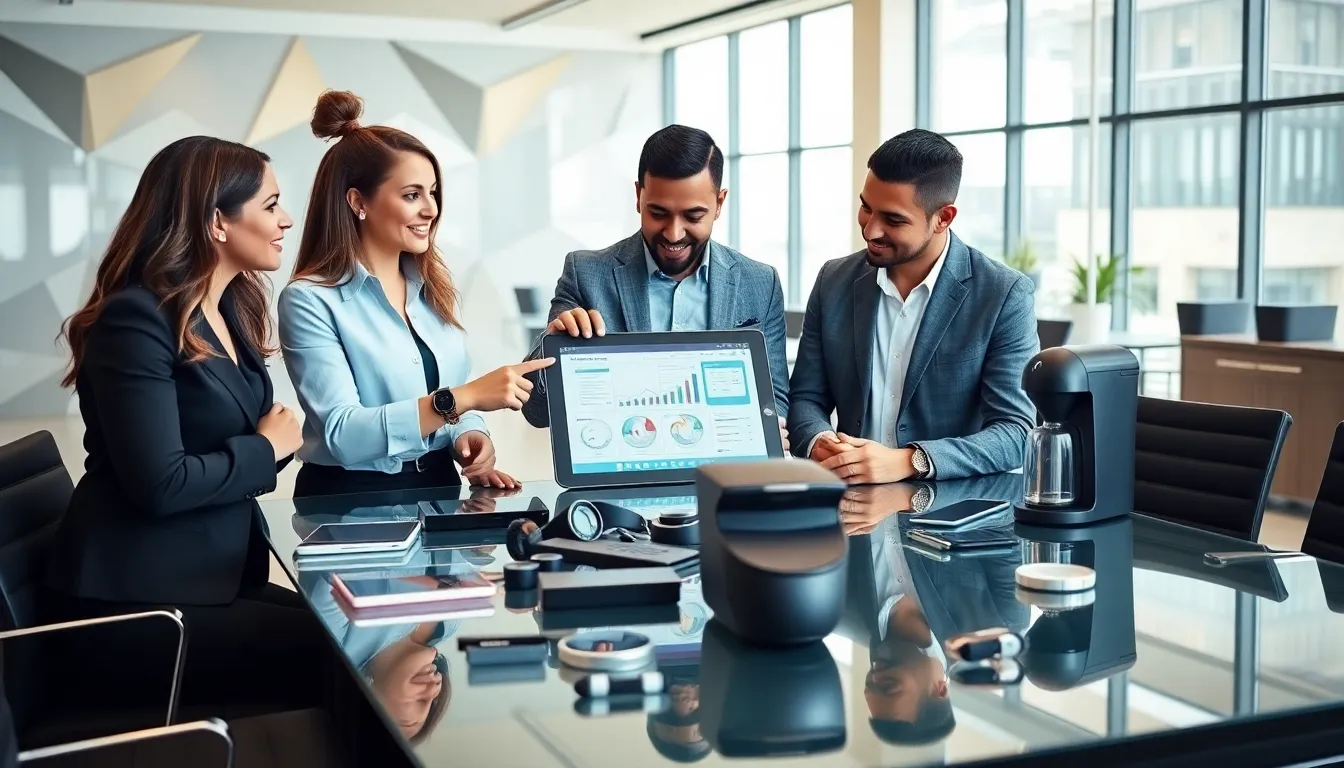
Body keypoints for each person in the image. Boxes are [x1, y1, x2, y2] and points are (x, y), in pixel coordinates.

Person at [41, 135, 325, 715]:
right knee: (347, 659)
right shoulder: (135, 319)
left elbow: (240, 435)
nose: (287, 220)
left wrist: (277, 445)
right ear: (217, 220)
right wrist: (266, 450)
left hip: (205, 577)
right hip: (134, 602)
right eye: (271, 205)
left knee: (354, 634)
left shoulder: (223, 310)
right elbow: (161, 484)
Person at [279, 90, 551, 498]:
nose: (431, 209)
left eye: (433, 192)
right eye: (412, 195)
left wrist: (471, 436)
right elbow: (343, 433)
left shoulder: (434, 289)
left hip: (439, 484)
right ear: (358, 202)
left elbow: (449, 397)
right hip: (349, 500)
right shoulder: (309, 300)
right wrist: (469, 398)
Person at [788, 129, 1038, 482]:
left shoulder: (1002, 294)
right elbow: (804, 398)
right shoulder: (834, 280)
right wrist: (820, 441)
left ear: (944, 218)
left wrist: (908, 461)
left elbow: (1016, 433)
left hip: (948, 515)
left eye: (893, 220)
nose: (870, 230)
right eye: (865, 208)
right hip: (850, 506)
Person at [521, 125, 791, 449]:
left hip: (727, 477)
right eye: (658, 213)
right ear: (639, 197)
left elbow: (774, 401)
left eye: (693, 216)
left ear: (719, 203)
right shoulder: (586, 274)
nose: (674, 234)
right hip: (621, 475)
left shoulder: (760, 283)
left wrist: (767, 426)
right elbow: (535, 412)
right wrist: (553, 344)